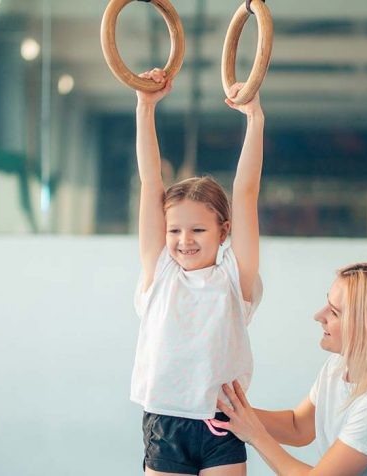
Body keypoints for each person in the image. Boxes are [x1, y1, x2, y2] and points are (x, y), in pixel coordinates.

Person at [132, 67, 265, 475]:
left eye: (198, 229)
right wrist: (145, 106)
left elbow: (244, 194)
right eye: (174, 229)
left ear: (224, 231)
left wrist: (254, 119)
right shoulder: (160, 274)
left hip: (221, 420)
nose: (183, 239)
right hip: (166, 419)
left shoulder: (234, 281)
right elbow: (151, 182)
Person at [213, 263, 367, 475]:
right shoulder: (338, 366)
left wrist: (255, 435)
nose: (319, 316)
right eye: (327, 303)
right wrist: (224, 412)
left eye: (335, 312)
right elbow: (298, 427)